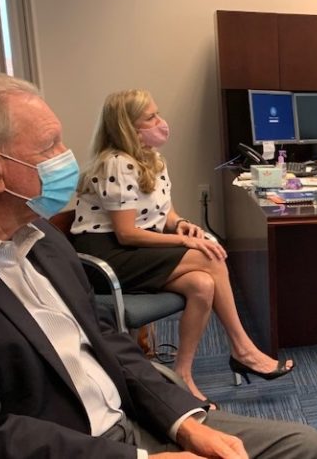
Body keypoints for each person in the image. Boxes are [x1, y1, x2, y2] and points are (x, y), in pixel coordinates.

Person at [0, 73, 317, 457]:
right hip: (81, 445)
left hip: (131, 417)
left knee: (304, 446)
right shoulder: (109, 171)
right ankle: (243, 349)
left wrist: (182, 422)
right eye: (50, 145)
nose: (66, 155)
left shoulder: (45, 241)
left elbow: (108, 340)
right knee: (207, 258)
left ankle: (205, 367)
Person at [70, 89, 294, 405]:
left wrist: (182, 225)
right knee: (209, 255)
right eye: (150, 117)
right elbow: (127, 234)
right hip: (106, 256)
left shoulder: (153, 159)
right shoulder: (116, 163)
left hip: (137, 250)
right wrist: (184, 240)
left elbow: (165, 215)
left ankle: (183, 375)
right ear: (128, 126)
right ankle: (243, 349)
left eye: (157, 113)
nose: (160, 122)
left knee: (202, 284)